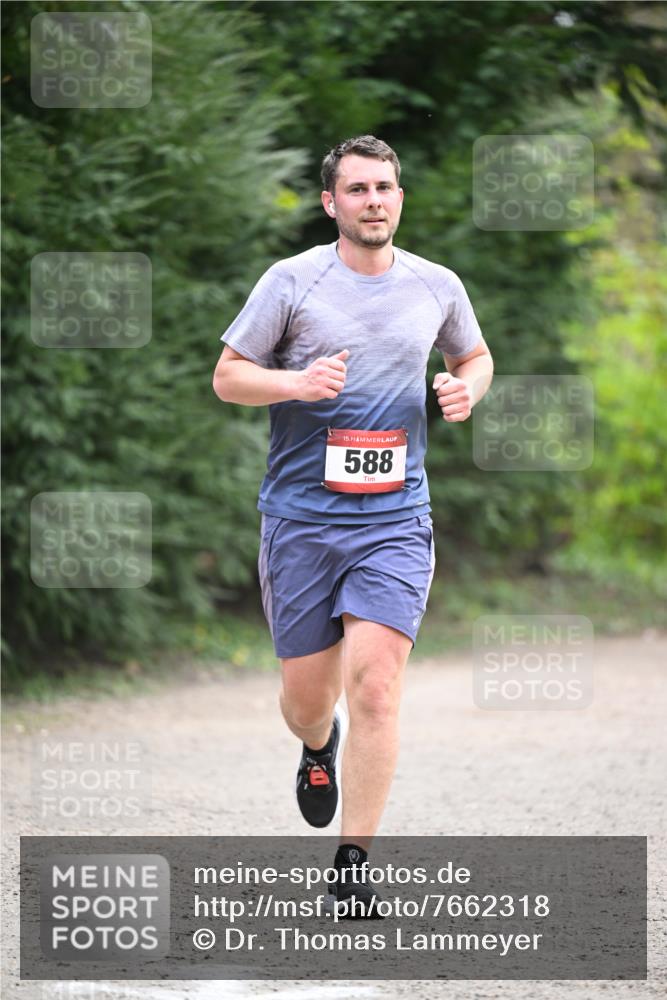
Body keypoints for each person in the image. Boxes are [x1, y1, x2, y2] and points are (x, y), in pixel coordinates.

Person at [213, 135, 493, 917]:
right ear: (330, 202)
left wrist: (467, 390)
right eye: (359, 189)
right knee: (309, 699)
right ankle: (313, 746)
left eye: (387, 187)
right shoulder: (291, 282)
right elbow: (228, 376)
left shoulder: (435, 285)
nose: (376, 199)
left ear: (400, 198)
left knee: (374, 688)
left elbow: (475, 357)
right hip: (301, 518)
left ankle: (351, 863)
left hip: (395, 517)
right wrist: (295, 383)